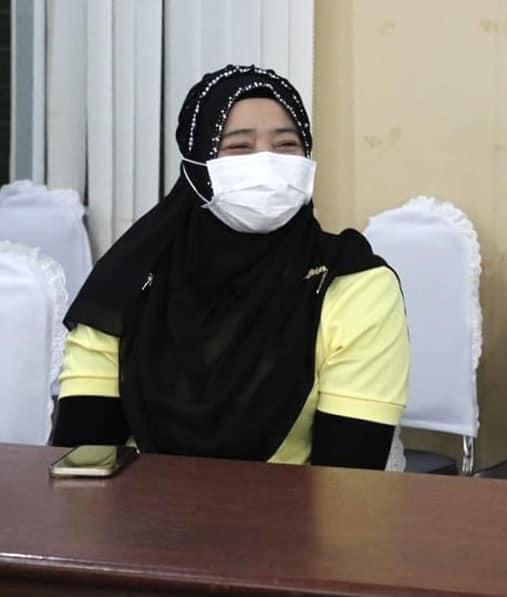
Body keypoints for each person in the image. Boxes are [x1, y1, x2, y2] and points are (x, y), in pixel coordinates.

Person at [52, 65, 409, 470]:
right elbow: (82, 457)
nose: (267, 162)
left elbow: (347, 476)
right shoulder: (131, 279)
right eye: (239, 147)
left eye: (287, 145)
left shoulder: (354, 284)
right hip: (138, 507)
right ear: (197, 167)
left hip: (294, 509)